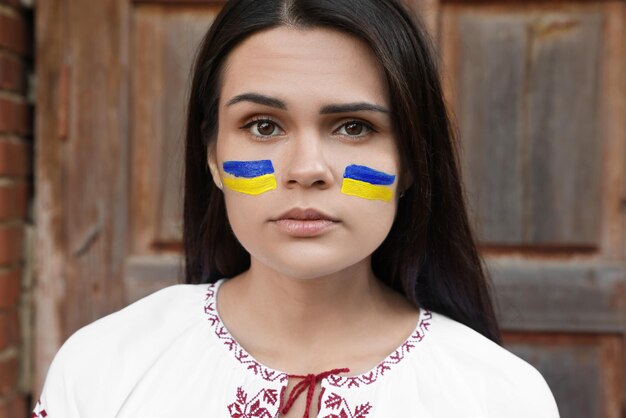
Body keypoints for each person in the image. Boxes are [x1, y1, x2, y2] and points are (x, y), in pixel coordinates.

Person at [32, 0, 560, 416]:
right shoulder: (105, 365)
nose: (306, 168)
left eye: (354, 127)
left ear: (413, 162)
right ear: (212, 156)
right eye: (263, 125)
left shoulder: (500, 397)